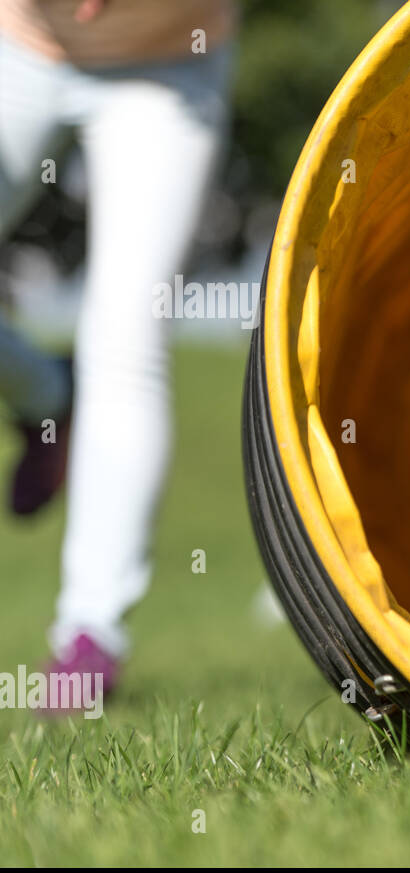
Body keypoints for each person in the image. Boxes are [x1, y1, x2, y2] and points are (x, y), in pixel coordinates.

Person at [0, 0, 236, 706]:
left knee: (126, 338)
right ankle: (45, 392)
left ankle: (90, 634)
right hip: (20, 45)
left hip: (167, 71)